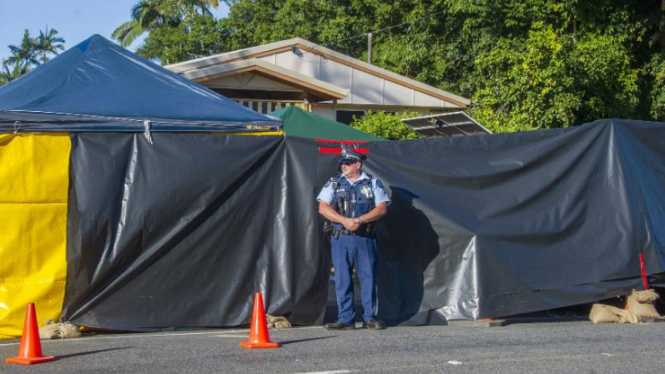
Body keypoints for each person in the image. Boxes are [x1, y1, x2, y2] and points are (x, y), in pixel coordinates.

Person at [317, 149, 390, 330]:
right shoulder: (334, 183)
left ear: (358, 164)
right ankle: (345, 319)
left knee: (368, 277)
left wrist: (359, 220)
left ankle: (369, 318)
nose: (344, 166)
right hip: (341, 237)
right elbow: (323, 208)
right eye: (342, 163)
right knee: (342, 279)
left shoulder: (372, 182)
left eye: (348, 164)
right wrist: (344, 221)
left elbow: (381, 208)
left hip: (365, 237)